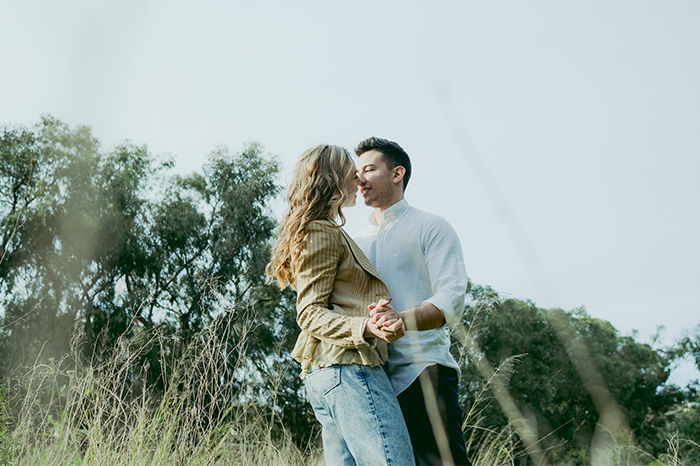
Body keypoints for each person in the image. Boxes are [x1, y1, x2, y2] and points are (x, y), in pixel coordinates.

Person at [265, 144, 414, 466]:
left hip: (328, 373)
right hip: (348, 369)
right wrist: (365, 326)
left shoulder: (325, 230)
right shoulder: (321, 231)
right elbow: (308, 312)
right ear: (335, 179)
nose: (358, 179)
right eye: (352, 172)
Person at [353, 137, 473, 466]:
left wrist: (400, 321)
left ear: (397, 173)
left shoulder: (431, 226)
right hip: (370, 379)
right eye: (355, 172)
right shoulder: (353, 241)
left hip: (424, 371)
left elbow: (452, 298)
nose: (359, 178)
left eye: (369, 169)